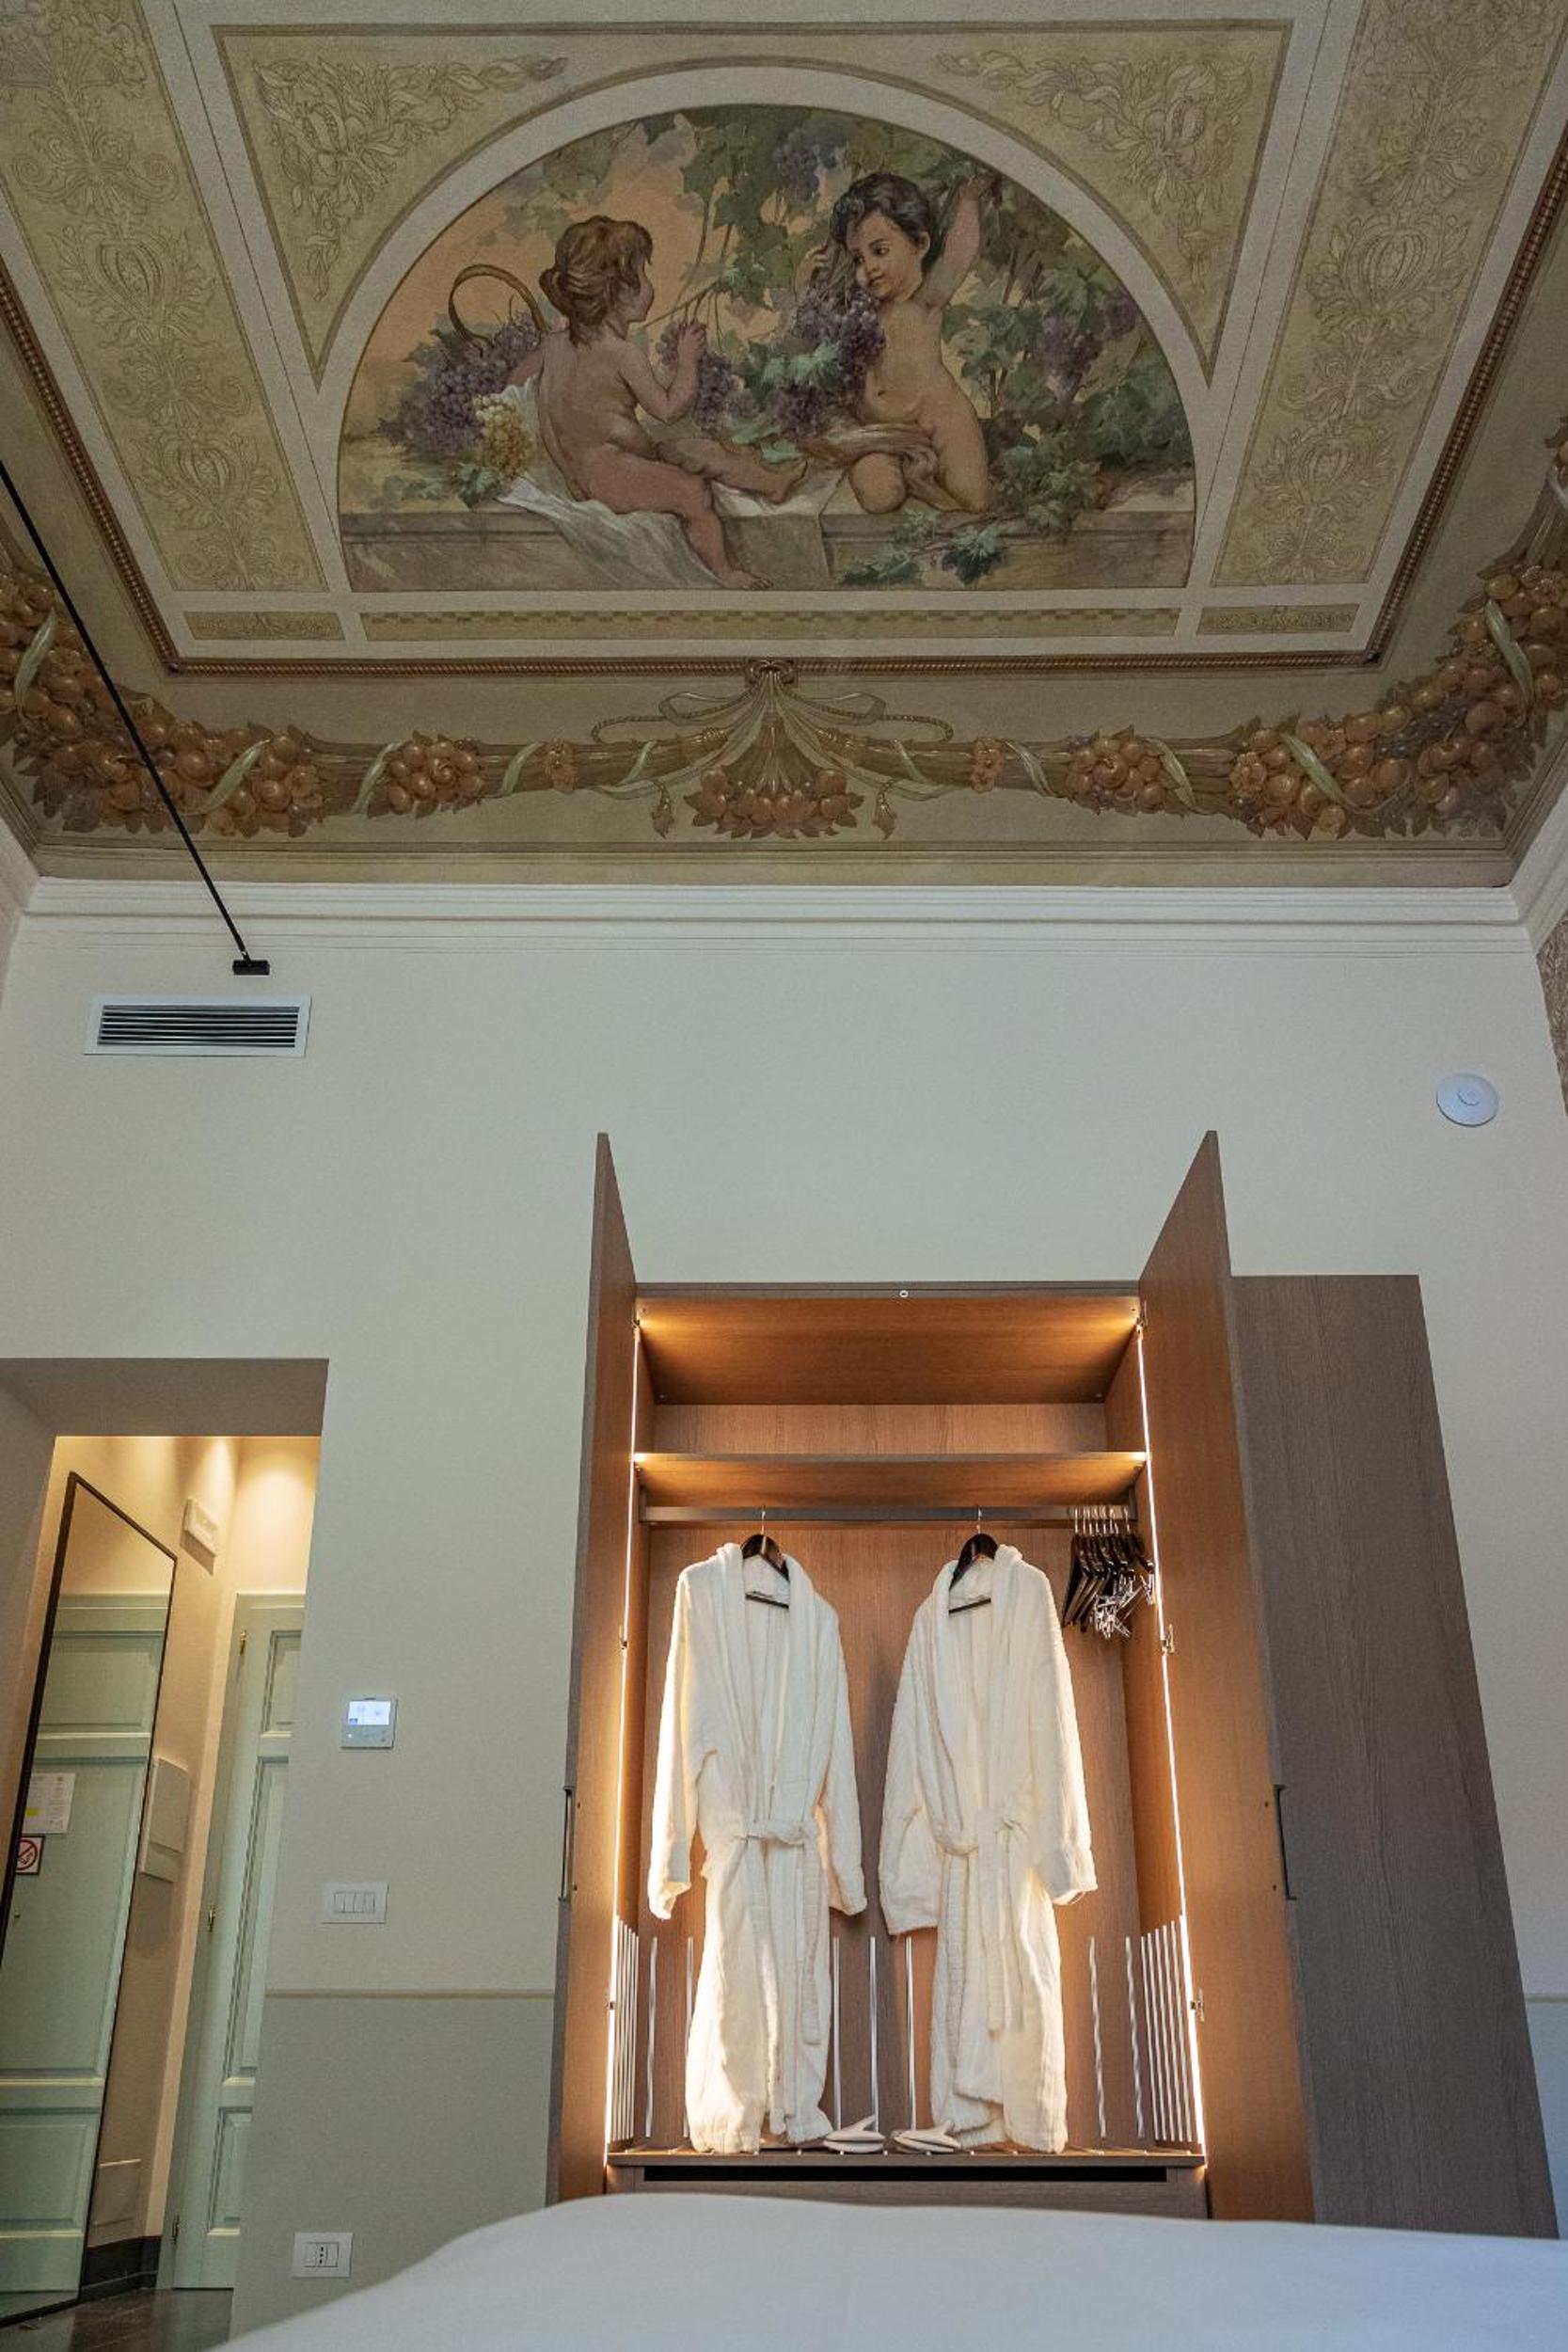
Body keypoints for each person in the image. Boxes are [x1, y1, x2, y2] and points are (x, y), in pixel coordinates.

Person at [507, 215, 802, 590]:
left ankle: (772, 483)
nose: (649, 285)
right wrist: (688, 362)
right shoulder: (622, 353)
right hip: (608, 477)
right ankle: (725, 573)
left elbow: (510, 388)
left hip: (602, 468)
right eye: (642, 274)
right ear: (618, 291)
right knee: (693, 492)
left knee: (697, 450)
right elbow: (668, 409)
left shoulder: (551, 345)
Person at [824, 171, 993, 516]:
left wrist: (968, 200)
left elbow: (958, 256)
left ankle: (926, 483)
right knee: (878, 495)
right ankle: (914, 480)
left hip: (937, 420)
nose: (868, 268)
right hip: (882, 433)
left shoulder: (923, 301)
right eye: (858, 258)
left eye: (879, 251)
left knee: (975, 499)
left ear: (920, 244)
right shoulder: (859, 312)